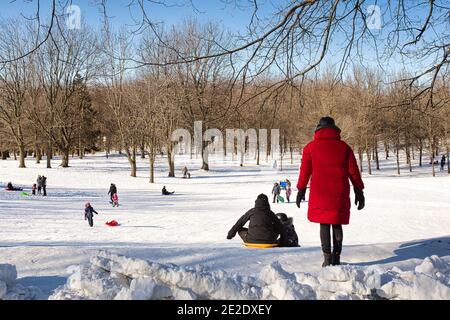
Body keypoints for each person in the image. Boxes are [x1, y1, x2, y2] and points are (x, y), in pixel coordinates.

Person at [296, 117, 365, 267]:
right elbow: (353, 171)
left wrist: (301, 189)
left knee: (324, 224)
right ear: (334, 129)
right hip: (339, 192)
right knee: (337, 223)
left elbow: (304, 172)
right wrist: (359, 190)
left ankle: (327, 259)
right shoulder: (344, 147)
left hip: (320, 193)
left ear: (318, 129)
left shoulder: (310, 148)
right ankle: (337, 257)